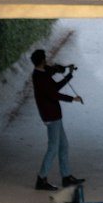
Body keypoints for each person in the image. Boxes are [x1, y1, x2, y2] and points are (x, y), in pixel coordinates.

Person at [30, 49, 85, 191]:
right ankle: (41, 179)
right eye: (45, 59)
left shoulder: (42, 74)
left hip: (54, 116)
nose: (47, 61)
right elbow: (54, 94)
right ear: (42, 61)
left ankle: (66, 177)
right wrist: (73, 99)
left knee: (63, 146)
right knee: (53, 148)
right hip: (51, 116)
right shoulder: (40, 77)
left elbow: (54, 86)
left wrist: (69, 75)